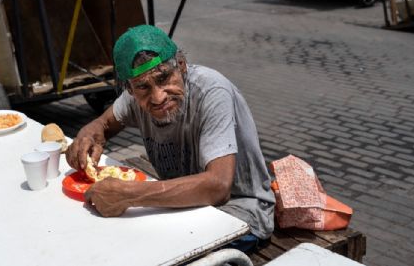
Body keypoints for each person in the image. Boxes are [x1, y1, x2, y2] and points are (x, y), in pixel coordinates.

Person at [66, 25, 275, 252]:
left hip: (239, 214)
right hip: (183, 208)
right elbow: (103, 124)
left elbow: (218, 186)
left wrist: (128, 194)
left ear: (182, 66)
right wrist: (88, 134)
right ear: (129, 90)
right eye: (143, 87)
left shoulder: (212, 92)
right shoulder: (134, 98)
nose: (157, 97)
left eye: (164, 78)